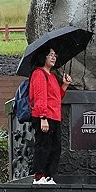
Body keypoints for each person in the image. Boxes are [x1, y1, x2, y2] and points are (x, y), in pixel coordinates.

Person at [29, 47, 71, 184]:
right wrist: (43, 118)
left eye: (55, 55)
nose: (53, 57)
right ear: (43, 57)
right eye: (50, 55)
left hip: (55, 116)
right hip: (44, 116)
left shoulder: (52, 76)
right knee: (43, 146)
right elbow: (40, 97)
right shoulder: (39, 74)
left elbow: (56, 97)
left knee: (55, 148)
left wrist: (64, 85)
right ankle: (39, 176)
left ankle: (48, 176)